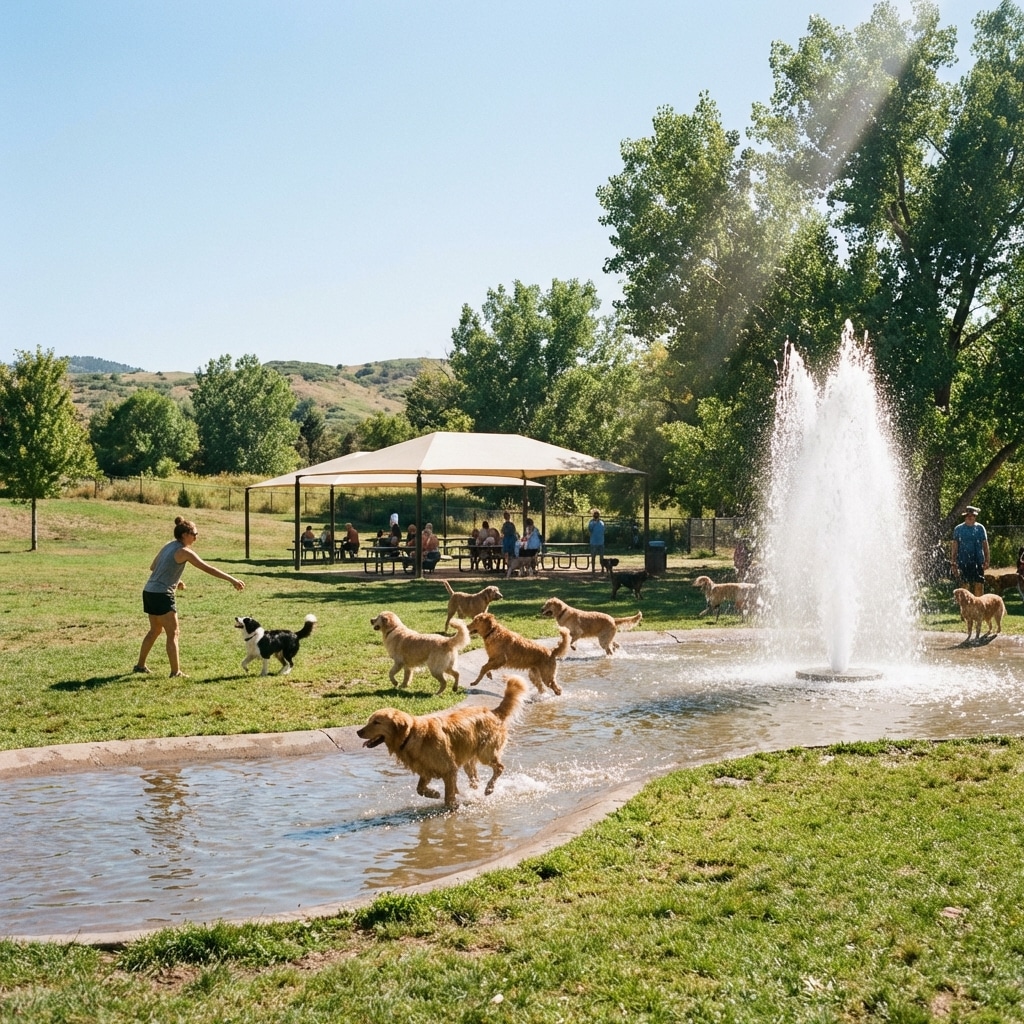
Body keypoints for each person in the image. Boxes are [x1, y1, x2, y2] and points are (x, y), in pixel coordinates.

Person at [135, 516, 244, 678]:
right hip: (162, 594)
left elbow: (153, 567)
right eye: (195, 533)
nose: (196, 536)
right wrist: (232, 580)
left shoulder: (169, 545)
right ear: (185, 534)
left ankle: (140, 666)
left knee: (155, 630)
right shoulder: (184, 551)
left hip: (149, 591)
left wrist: (175, 579)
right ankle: (175, 672)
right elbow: (208, 568)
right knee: (173, 633)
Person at [951, 505, 989, 598]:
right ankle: (966, 608)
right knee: (965, 585)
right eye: (968, 515)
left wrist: (987, 560)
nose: (970, 517)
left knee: (979, 584)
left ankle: (979, 607)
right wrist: (953, 562)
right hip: (963, 561)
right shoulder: (958, 529)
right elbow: (955, 546)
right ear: (965, 516)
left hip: (978, 560)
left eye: (972, 515)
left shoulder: (980, 528)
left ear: (975, 516)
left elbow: (985, 545)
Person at [588, 508, 606, 573]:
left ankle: (602, 569)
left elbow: (603, 531)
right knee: (593, 557)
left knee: (601, 558)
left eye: (597, 514)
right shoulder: (591, 522)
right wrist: (594, 523)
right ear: (593, 515)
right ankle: (593, 569)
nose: (596, 515)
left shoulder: (602, 522)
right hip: (594, 542)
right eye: (595, 514)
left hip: (601, 542)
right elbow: (590, 529)